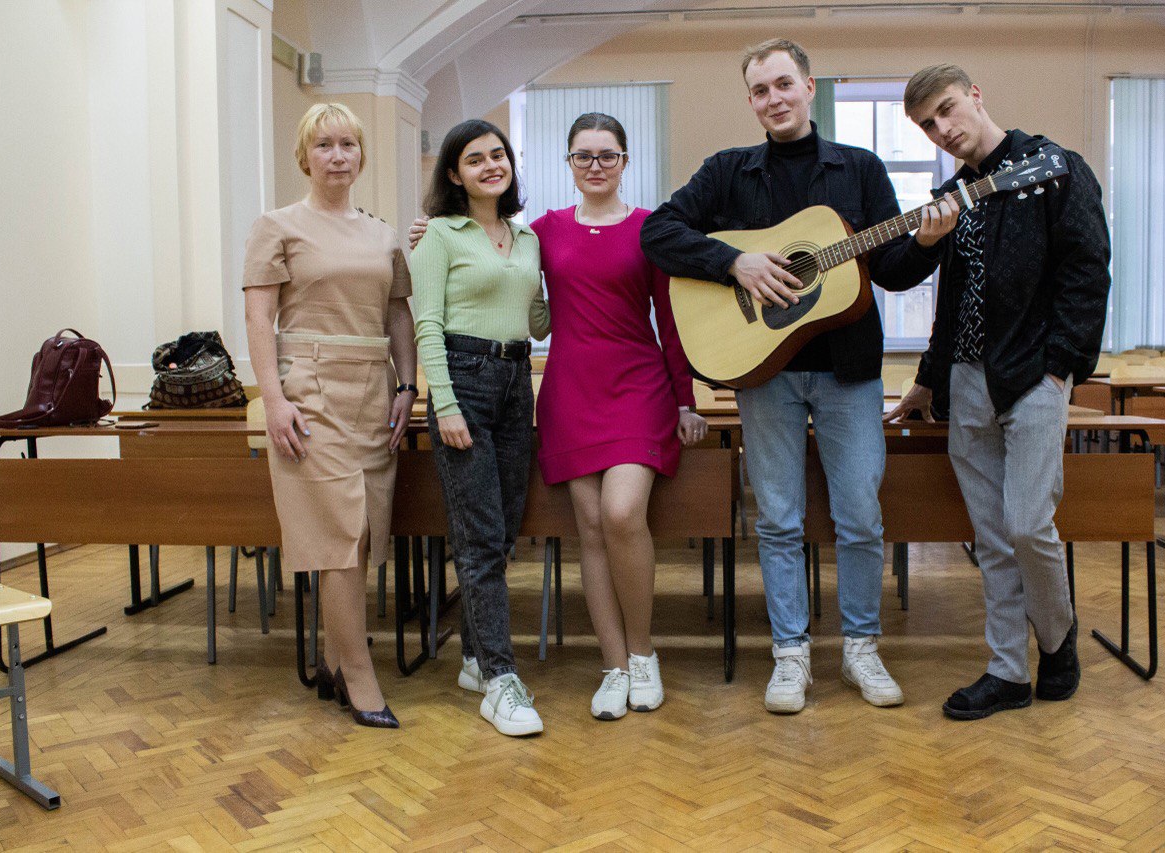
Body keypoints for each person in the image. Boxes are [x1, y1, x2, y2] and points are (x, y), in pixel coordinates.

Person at [640, 38, 957, 714]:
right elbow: (659, 233)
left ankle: (861, 648)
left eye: (784, 84)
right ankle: (790, 653)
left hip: (848, 371)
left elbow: (892, 268)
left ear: (810, 87)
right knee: (778, 518)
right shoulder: (728, 171)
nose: (774, 99)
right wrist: (734, 264)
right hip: (762, 371)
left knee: (861, 515)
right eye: (760, 90)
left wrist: (927, 242)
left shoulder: (860, 168)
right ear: (751, 101)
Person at [411, 113, 707, 722]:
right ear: (568, 164)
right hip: (570, 391)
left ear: (625, 161)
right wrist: (429, 234)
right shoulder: (540, 233)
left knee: (623, 512)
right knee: (591, 529)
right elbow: (524, 302)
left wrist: (686, 398)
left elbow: (669, 322)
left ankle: (645, 656)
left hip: (637, 387)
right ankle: (613, 666)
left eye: (607, 155)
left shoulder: (650, 230)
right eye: (583, 156)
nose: (595, 165)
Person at [885, 65, 1111, 720]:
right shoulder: (952, 194)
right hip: (965, 380)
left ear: (977, 95)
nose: (943, 129)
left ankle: (1058, 639)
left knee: (1025, 523)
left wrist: (1060, 365)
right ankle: (1008, 669)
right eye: (927, 124)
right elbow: (935, 294)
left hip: (1033, 374)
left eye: (948, 110)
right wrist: (929, 379)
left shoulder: (1054, 167)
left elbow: (1087, 271)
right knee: (990, 535)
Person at [243, 103, 416, 729]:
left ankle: (330, 657)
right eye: (325, 145)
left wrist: (408, 384)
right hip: (310, 389)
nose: (338, 155)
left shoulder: (381, 233)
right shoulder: (277, 226)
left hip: (374, 389)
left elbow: (398, 312)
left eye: (348, 144)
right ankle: (359, 671)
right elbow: (260, 318)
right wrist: (274, 398)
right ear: (304, 156)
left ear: (361, 155)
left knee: (365, 529)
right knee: (339, 534)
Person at [411, 119, 550, 737]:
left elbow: (539, 320)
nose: (491, 165)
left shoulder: (525, 238)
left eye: (499, 155)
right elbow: (427, 326)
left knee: (503, 529)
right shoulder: (439, 235)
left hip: (517, 380)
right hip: (463, 379)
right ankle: (500, 679)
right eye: (475, 159)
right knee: (479, 533)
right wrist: (443, 405)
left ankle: (472, 657)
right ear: (453, 173)